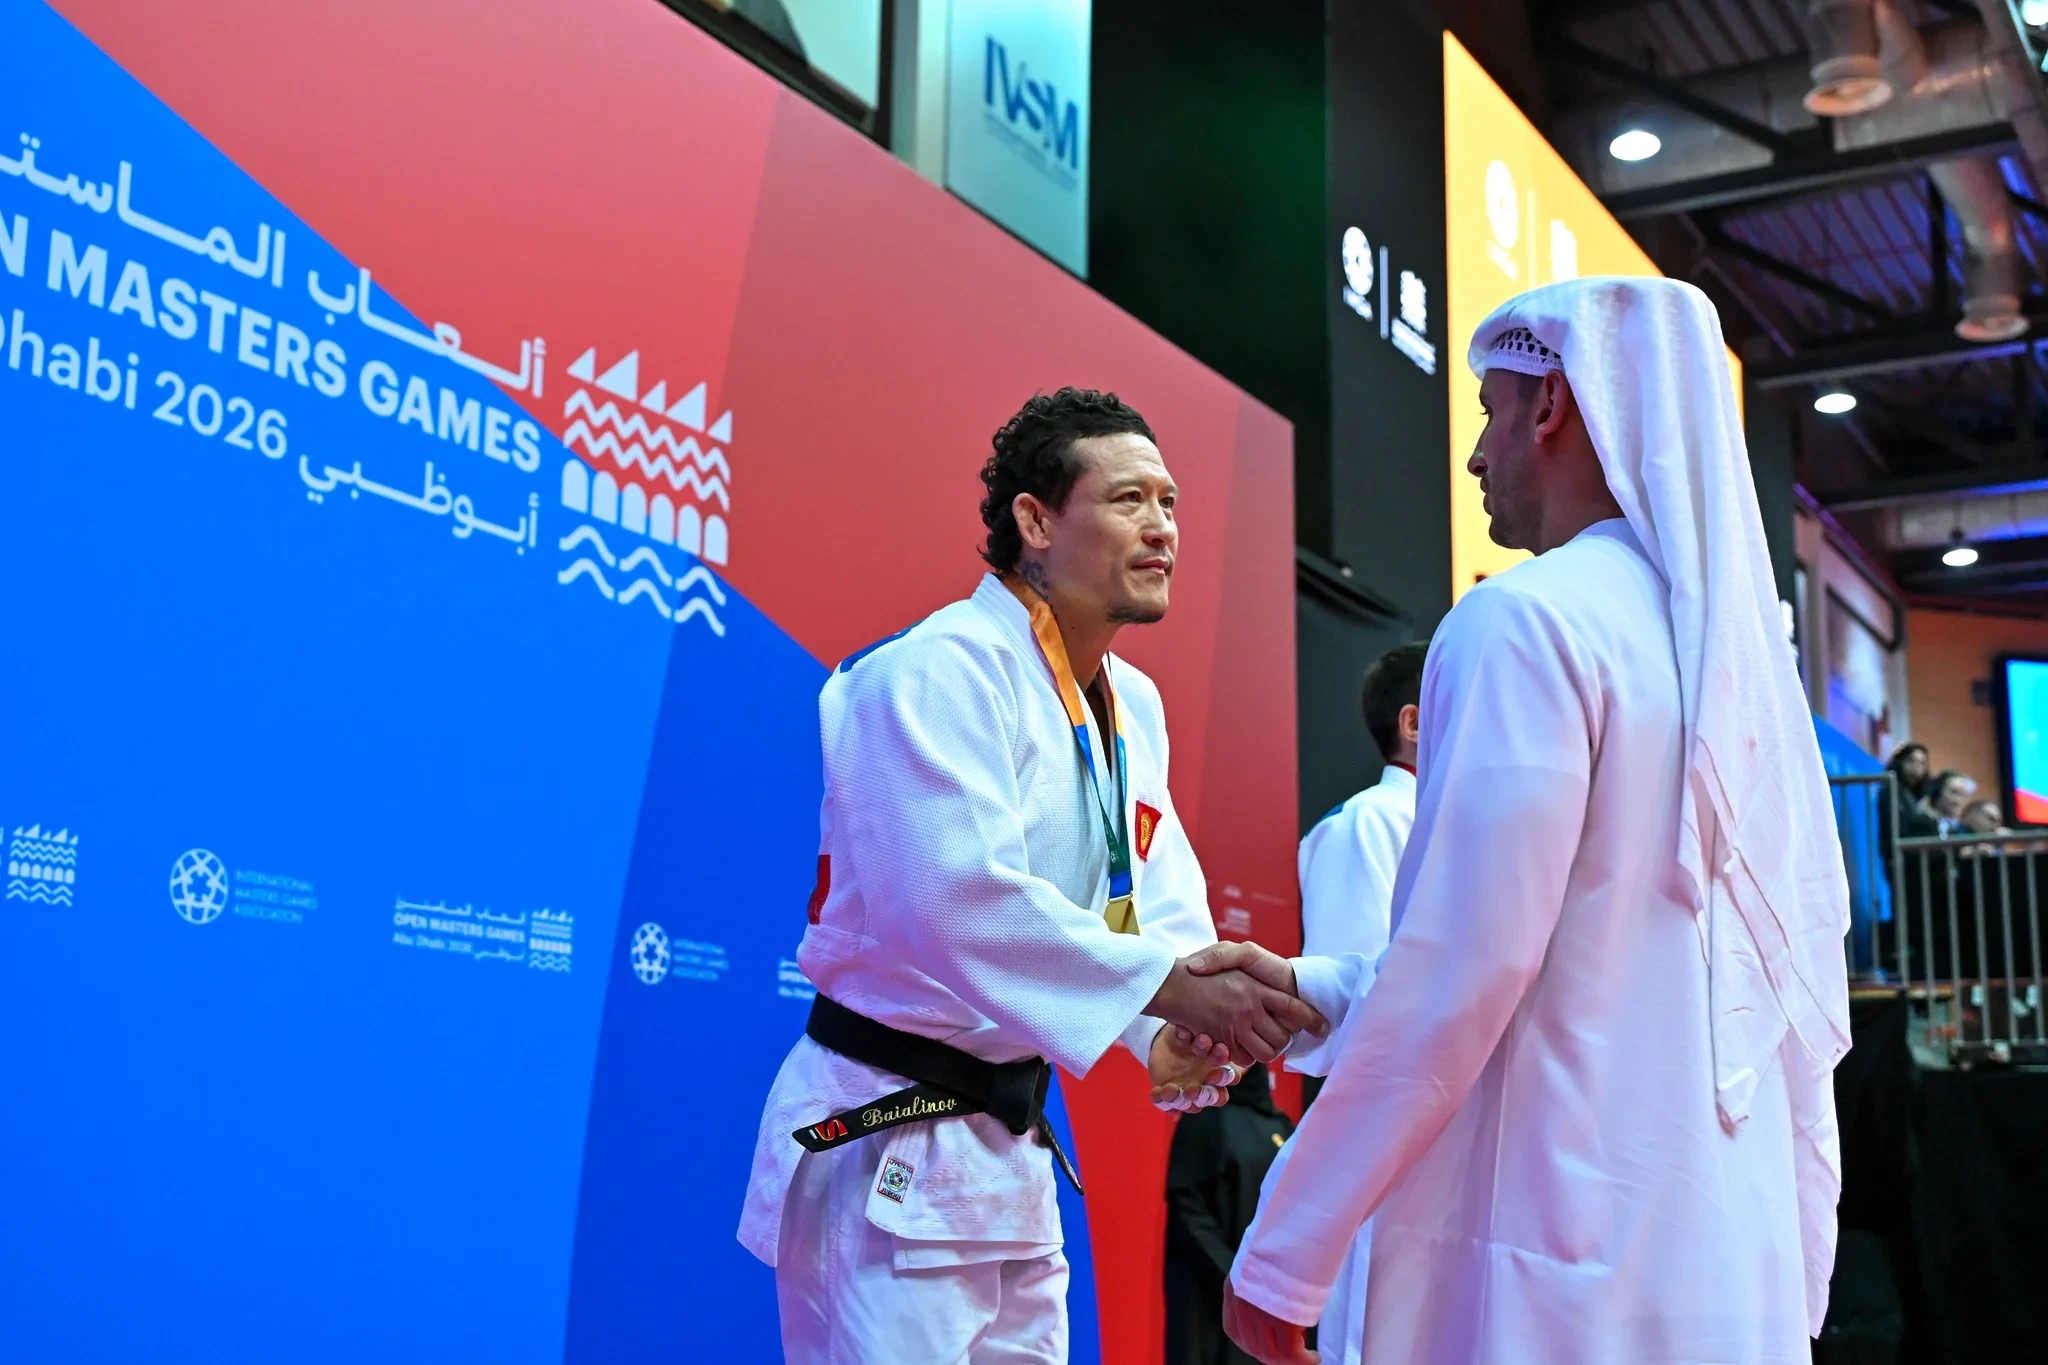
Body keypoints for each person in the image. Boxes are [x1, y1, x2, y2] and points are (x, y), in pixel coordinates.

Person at [1219, 277, 1853, 1365]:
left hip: (1556, 1267)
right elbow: (1600, 976)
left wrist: (1286, 1249)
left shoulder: (1524, 621)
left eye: (1487, 412)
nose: (1474, 457)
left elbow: (1464, 971)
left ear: (1550, 404)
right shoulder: (1736, 675)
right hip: (1717, 1271)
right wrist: (1313, 993)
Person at [738, 387, 1326, 1365]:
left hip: (1007, 1148)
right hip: (885, 1130)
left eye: (1170, 503)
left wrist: (1167, 1028)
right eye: (1129, 499)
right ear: (1036, 521)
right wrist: (1169, 987)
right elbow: (954, 901)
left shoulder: (1131, 703)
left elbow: (1154, 886)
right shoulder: (934, 672)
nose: (1162, 527)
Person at [1288, 640, 1426, 1365]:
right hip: (1396, 1151)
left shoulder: (1470, 820)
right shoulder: (1366, 826)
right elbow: (1361, 1015)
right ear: (1414, 722)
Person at [1164, 1064, 1296, 1365]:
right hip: (1213, 1296)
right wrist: (1236, 1279)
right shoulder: (1203, 1121)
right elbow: (1190, 1210)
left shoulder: (1282, 1127)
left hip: (1269, 1297)